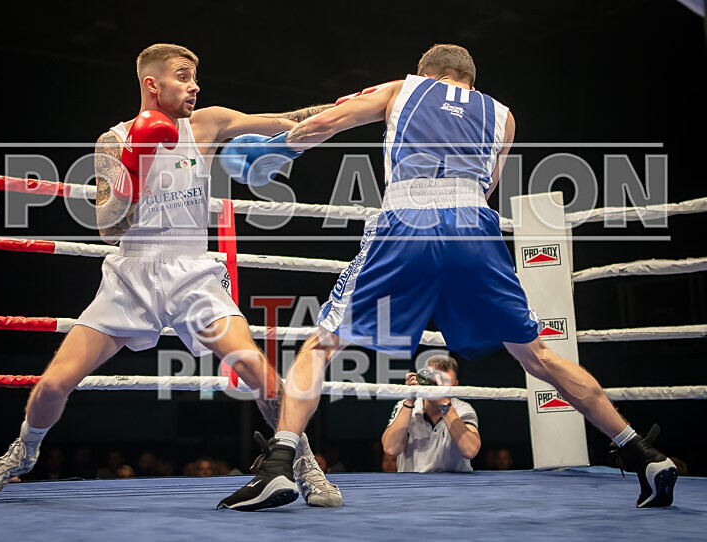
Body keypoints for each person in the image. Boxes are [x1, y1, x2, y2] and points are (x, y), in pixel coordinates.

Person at [218, 43, 677, 510]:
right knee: (538, 355)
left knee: (323, 343)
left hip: (408, 220)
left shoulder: (402, 89)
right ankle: (643, 453)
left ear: (427, 73)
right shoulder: (504, 116)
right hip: (475, 226)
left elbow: (325, 122)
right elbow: (489, 185)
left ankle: (279, 465)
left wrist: (271, 153)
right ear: (469, 80)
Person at [0, 43, 342, 507]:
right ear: (152, 83)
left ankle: (301, 464)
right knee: (54, 383)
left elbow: (291, 119)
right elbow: (109, 228)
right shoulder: (114, 141)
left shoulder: (208, 123)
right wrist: (137, 164)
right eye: (184, 76)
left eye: (195, 77)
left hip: (192, 272)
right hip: (131, 273)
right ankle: (22, 452)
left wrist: (367, 103)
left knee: (256, 370)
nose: (195, 85)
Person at [381, 354, 480, 472]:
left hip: (453, 486)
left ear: (455, 385)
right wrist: (409, 400)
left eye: (445, 381)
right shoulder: (406, 406)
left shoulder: (462, 409)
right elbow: (391, 449)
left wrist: (442, 401)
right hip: (413, 485)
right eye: (434, 380)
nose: (438, 385)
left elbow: (470, 450)